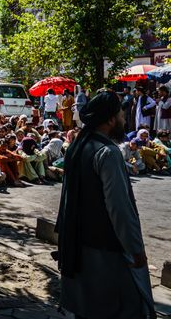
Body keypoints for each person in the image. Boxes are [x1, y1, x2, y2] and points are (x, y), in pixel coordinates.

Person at [56, 91, 155, 318]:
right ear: (111, 119)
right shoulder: (108, 153)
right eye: (121, 114)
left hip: (76, 244)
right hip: (105, 251)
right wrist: (136, 249)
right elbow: (119, 209)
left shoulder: (77, 147)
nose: (123, 118)